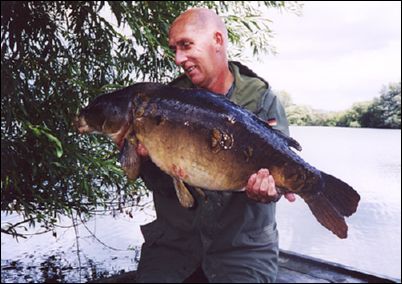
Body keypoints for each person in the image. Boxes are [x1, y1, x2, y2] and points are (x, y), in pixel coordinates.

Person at [135, 8, 295, 283]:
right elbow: (157, 184)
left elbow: (281, 177)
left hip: (243, 249)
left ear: (217, 40)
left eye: (186, 45)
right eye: (174, 49)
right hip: (174, 246)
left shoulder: (262, 101)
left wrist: (272, 190)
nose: (178, 59)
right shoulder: (163, 103)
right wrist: (145, 161)